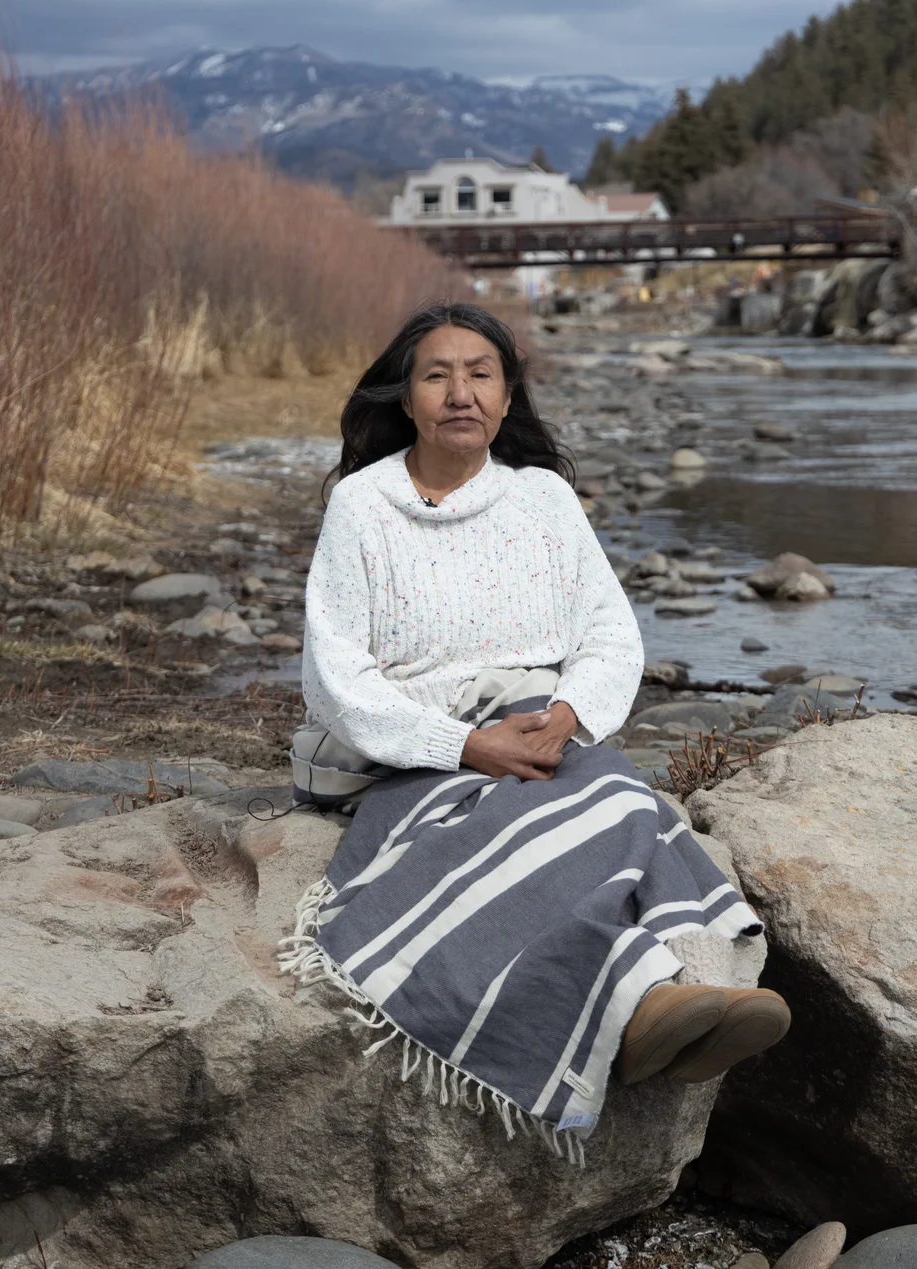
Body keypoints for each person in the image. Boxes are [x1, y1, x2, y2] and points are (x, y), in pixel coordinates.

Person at [280, 302, 787, 1157]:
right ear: (406, 399)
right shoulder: (363, 507)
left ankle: (697, 996)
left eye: (480, 374)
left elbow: (608, 634)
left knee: (626, 801)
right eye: (436, 375)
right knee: (511, 825)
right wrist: (468, 747)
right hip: (413, 742)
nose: (459, 392)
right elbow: (336, 677)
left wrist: (567, 715)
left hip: (538, 723)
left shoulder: (543, 499)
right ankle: (637, 1001)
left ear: (508, 398)